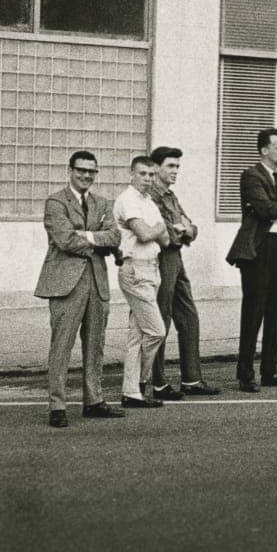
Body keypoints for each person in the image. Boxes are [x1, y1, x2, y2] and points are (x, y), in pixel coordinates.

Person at [34, 150, 125, 428]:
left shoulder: (102, 202)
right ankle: (57, 406)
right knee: (61, 345)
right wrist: (97, 239)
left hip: (97, 281)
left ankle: (94, 401)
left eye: (92, 171)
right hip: (66, 284)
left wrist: (85, 235)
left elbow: (115, 235)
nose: (86, 175)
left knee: (95, 344)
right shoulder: (56, 202)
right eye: (81, 170)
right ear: (70, 170)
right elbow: (64, 240)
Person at [225, 128, 277, 393]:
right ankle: (245, 373)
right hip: (257, 251)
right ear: (264, 150)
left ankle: (269, 370)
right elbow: (264, 208)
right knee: (253, 312)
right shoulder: (250, 176)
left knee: (275, 314)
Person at [145, 146, 220, 399]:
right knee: (161, 318)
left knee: (188, 316)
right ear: (156, 168)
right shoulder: (150, 197)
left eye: (177, 166)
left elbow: (192, 228)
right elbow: (165, 232)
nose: (176, 171)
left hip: (176, 258)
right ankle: (157, 382)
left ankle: (191, 379)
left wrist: (183, 229)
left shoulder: (170, 196)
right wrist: (180, 230)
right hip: (159, 259)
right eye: (171, 166)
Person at [113, 156, 171, 410]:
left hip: (152, 268)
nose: (147, 179)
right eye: (143, 174)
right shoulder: (127, 200)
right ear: (131, 174)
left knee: (137, 334)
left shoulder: (149, 202)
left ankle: (131, 392)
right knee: (156, 330)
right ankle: (140, 380)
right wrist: (158, 227)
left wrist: (157, 229)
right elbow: (147, 233)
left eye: (151, 174)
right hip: (135, 268)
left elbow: (167, 240)